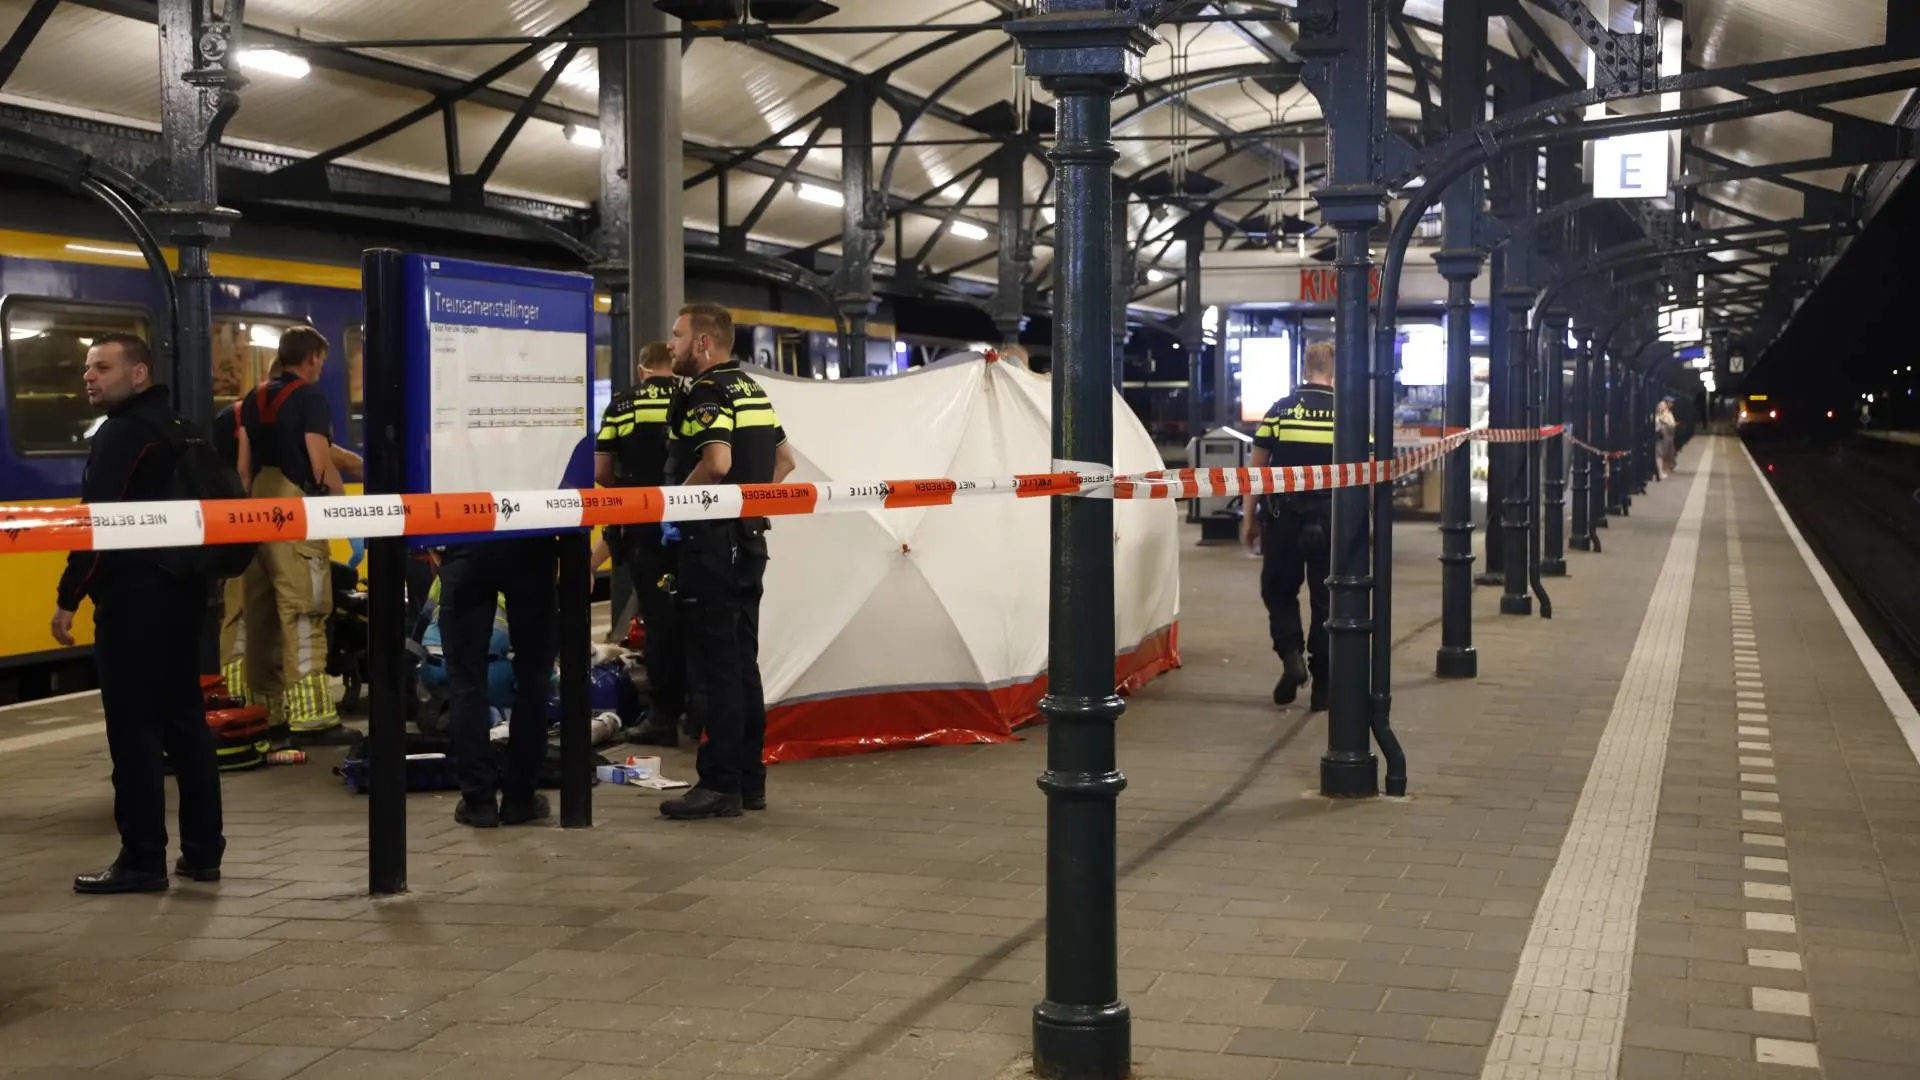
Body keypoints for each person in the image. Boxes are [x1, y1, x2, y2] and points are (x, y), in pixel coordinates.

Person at [51, 334, 224, 893]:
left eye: (102, 367)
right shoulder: (183, 428)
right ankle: (202, 852)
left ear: (139, 373)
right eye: (87, 368)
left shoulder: (124, 435)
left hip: (134, 602)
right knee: (186, 724)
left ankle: (143, 857)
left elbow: (95, 524)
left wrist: (68, 596)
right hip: (185, 596)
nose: (90, 377)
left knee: (134, 732)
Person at [658, 304, 797, 821]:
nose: (670, 344)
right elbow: (785, 462)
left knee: (716, 667)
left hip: (713, 545)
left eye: (677, 336)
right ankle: (748, 780)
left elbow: (716, 464)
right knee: (742, 664)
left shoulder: (706, 391)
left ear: (702, 344)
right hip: (749, 540)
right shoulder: (752, 390)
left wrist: (676, 505)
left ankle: (718, 785)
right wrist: (752, 509)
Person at [234, 328, 349, 741]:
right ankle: (312, 716)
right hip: (295, 513)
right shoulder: (310, 398)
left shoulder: (252, 397)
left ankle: (269, 711)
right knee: (304, 610)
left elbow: (243, 470)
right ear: (314, 357)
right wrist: (345, 509)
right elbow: (320, 463)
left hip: (256, 511)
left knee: (261, 614)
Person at [594, 341, 686, 746]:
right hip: (689, 520)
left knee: (660, 619)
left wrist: (628, 493)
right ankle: (698, 710)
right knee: (694, 614)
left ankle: (663, 714)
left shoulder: (623, 404)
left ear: (641, 367)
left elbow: (601, 470)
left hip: (645, 525)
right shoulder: (691, 396)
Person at [438, 535, 558, 828]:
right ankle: (520, 799)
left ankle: (479, 803)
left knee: (466, 681)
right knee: (534, 677)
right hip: (531, 543)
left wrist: (440, 546)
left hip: (467, 543)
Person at [1244, 340, 1337, 713]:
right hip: (1331, 520)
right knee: (1327, 601)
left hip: (1283, 518)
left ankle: (1291, 657)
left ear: (1304, 369)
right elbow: (1364, 476)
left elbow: (1257, 471)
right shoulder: (1348, 414)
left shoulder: (1280, 411)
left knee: (1279, 592)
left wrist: (1249, 519)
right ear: (1334, 372)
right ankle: (1324, 687)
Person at [1654, 398, 1678, 479]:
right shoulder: (1658, 415)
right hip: (1660, 436)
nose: (1661, 407)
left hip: (1664, 436)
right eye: (1660, 406)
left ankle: (1662, 470)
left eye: (1662, 406)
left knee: (1663, 453)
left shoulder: (1667, 414)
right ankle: (1660, 472)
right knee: (1659, 454)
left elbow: (1672, 424)